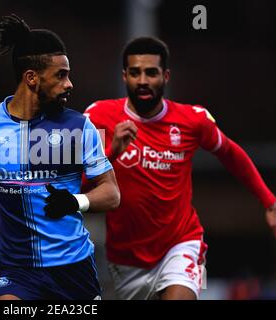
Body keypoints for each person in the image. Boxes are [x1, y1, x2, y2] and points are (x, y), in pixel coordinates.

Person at [82, 36, 276, 300]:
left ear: (166, 76)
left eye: (151, 72)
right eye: (135, 73)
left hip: (181, 244)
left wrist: (269, 200)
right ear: (124, 76)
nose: (143, 81)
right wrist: (112, 151)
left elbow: (230, 153)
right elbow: (77, 186)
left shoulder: (192, 120)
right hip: (125, 259)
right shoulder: (98, 117)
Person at [0, 14, 120, 300]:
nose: (69, 84)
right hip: (17, 270)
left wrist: (75, 201)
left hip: (73, 270)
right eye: (61, 75)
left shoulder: (79, 127)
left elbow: (112, 193)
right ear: (32, 78)